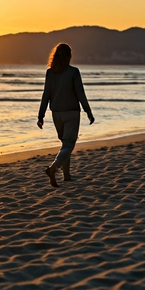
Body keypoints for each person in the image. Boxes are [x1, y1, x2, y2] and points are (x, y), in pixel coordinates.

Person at [37, 42, 94, 187]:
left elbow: (46, 95)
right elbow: (80, 94)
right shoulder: (74, 72)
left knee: (65, 144)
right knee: (68, 144)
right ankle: (53, 169)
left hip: (56, 113)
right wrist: (88, 111)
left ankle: (67, 176)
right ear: (69, 56)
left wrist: (41, 116)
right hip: (72, 113)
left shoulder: (50, 72)